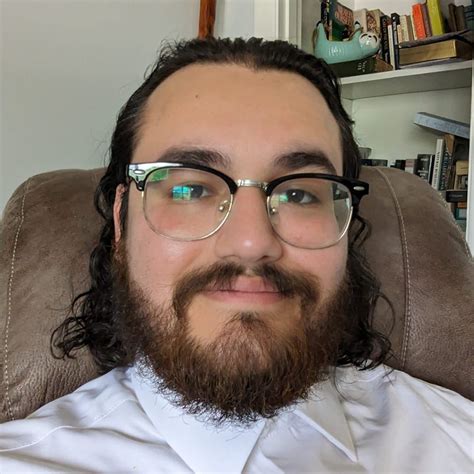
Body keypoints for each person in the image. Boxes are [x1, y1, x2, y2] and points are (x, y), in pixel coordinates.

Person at [0, 37, 471, 473]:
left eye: (300, 194)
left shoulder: (456, 440)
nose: (251, 242)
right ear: (122, 223)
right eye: (189, 188)